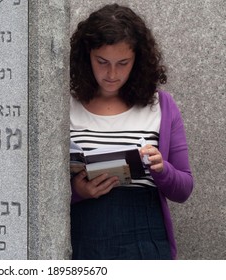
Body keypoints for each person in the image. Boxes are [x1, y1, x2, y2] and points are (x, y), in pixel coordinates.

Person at [69, 3, 194, 260]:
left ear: (138, 60)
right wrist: (78, 192)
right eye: (102, 62)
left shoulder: (161, 106)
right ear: (86, 56)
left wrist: (162, 169)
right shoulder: (65, 108)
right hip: (83, 237)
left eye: (123, 63)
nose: (112, 74)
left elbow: (184, 189)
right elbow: (39, 190)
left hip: (145, 238)